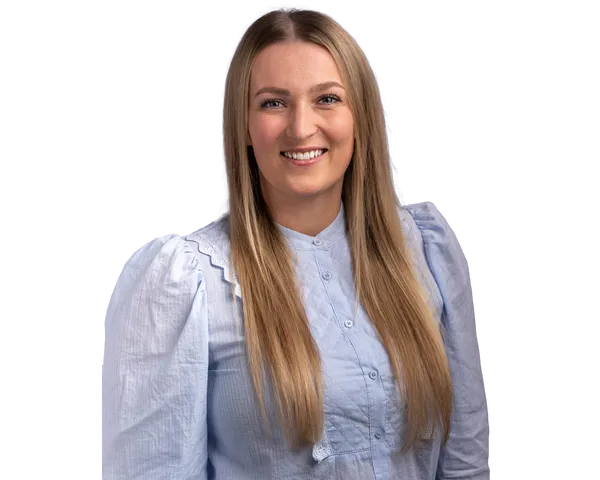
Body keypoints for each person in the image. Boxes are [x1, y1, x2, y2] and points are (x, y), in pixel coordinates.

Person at [99, 8, 490, 480]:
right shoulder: (184, 279)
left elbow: (466, 465)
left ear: (360, 117)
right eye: (273, 103)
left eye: (327, 98)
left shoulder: (425, 250)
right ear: (244, 126)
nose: (301, 128)